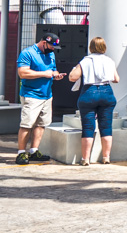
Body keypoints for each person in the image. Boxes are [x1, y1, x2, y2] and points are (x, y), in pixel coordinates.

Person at [68, 37, 119, 166]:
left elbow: (72, 77)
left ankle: (85, 159)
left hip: (89, 92)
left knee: (88, 127)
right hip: (106, 92)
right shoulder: (109, 61)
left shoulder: (85, 61)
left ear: (91, 47)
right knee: (106, 126)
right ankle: (106, 157)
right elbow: (116, 79)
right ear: (104, 47)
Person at [16, 33, 63, 165]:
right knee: (27, 124)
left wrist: (56, 75)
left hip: (47, 95)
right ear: (44, 43)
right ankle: (21, 153)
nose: (53, 50)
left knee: (41, 123)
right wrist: (44, 74)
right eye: (52, 46)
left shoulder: (51, 54)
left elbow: (53, 70)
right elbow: (22, 73)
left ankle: (34, 151)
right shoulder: (27, 53)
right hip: (31, 95)